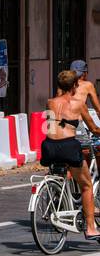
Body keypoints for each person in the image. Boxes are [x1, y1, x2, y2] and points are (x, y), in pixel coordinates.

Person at [42, 68, 100, 241]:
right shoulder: (78, 104)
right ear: (75, 86)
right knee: (86, 185)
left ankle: (60, 193)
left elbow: (52, 126)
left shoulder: (50, 102)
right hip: (68, 145)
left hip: (49, 146)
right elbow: (93, 128)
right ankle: (90, 228)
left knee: (63, 167)